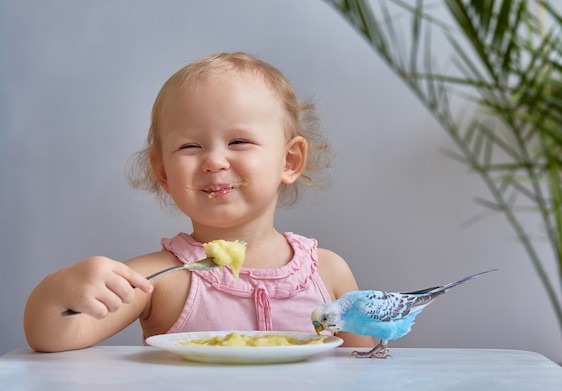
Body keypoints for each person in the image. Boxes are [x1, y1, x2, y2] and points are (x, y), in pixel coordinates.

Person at [23, 52, 374, 352]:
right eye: (191, 146)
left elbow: (367, 376)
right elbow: (52, 338)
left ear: (289, 160)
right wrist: (59, 291)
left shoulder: (328, 275)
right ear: (163, 171)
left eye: (238, 141)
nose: (214, 162)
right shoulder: (158, 280)